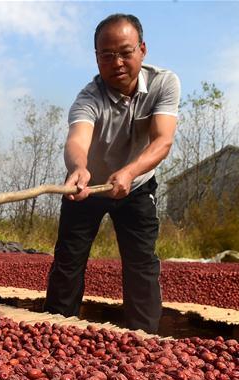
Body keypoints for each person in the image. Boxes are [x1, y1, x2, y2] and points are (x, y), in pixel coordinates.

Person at [44, 13, 179, 334]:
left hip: (137, 185)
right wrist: (78, 168)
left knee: (141, 262)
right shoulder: (88, 97)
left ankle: (144, 339)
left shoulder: (163, 83)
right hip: (87, 187)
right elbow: (77, 140)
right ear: (96, 58)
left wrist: (130, 172)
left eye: (125, 52)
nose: (117, 62)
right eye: (106, 55)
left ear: (142, 49)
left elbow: (163, 141)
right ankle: (56, 332)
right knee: (68, 260)